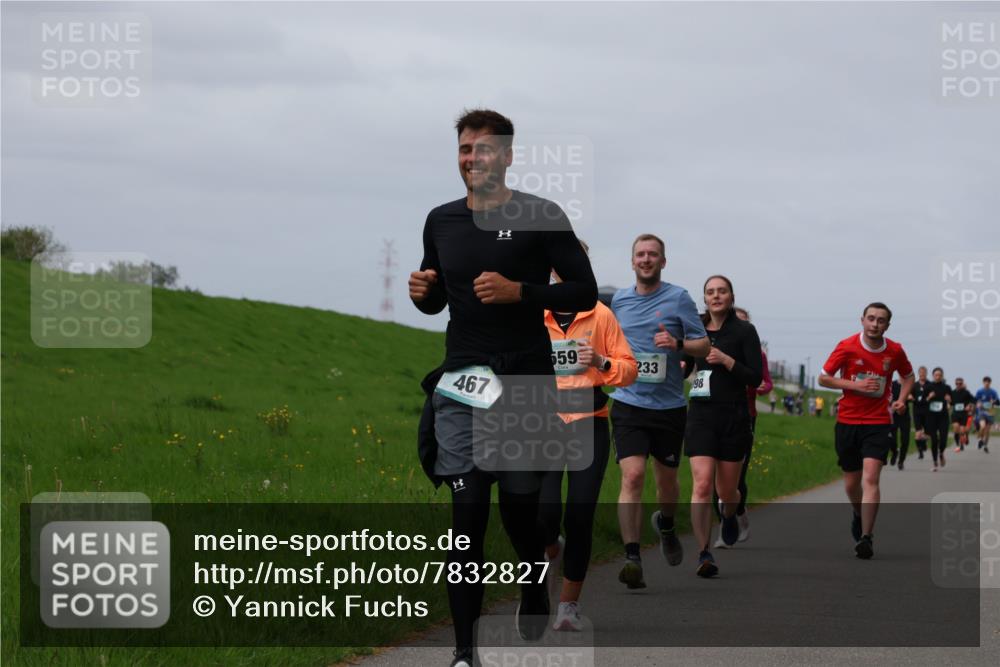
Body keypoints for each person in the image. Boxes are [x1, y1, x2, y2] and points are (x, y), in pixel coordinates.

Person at [410, 109, 598, 667]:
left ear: (508, 156)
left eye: (484, 149)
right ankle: (464, 653)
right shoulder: (440, 221)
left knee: (520, 510)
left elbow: (584, 291)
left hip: (523, 382)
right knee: (467, 514)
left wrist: (523, 292)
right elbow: (439, 298)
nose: (473, 159)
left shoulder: (541, 215)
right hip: (464, 379)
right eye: (465, 149)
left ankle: (533, 577)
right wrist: (424, 293)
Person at [539, 240, 637, 631]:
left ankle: (568, 606)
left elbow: (629, 369)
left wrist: (601, 361)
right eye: (558, 260)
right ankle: (552, 546)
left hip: (589, 422)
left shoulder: (601, 314)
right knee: (543, 515)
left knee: (579, 515)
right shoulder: (534, 312)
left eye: (573, 259)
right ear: (550, 267)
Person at [608, 233, 710, 589]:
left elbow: (704, 345)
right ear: (632, 261)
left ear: (663, 262)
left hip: (668, 407)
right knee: (633, 477)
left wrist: (677, 343)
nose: (646, 259)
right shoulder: (619, 300)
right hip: (628, 402)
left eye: (653, 254)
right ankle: (632, 557)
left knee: (667, 483)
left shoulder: (679, 297)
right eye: (640, 254)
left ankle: (665, 524)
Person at [818, 302, 914, 559]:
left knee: (870, 479)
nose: (875, 324)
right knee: (852, 484)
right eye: (871, 318)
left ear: (887, 325)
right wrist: (855, 386)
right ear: (862, 320)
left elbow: (908, 376)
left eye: (881, 320)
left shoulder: (895, 350)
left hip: (878, 422)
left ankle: (866, 537)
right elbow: (823, 378)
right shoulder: (847, 346)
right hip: (848, 421)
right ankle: (858, 513)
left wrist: (901, 399)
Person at [682, 276, 763, 576]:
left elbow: (755, 377)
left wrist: (727, 361)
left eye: (722, 291)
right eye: (710, 292)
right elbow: (685, 366)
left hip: (733, 416)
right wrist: (678, 364)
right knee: (702, 484)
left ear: (731, 296)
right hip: (701, 415)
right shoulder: (695, 328)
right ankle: (704, 553)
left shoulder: (744, 331)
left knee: (727, 491)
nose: (716, 296)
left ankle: (731, 514)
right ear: (704, 298)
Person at [711, 306, 771, 547]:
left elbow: (765, 382)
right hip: (715, 414)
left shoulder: (757, 354)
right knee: (713, 480)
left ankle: (740, 513)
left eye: (742, 321)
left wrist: (759, 387)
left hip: (745, 415)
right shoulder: (714, 348)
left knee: (737, 478)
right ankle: (724, 527)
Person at [925, 367, 952, 471]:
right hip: (931, 417)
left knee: (943, 440)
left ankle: (941, 453)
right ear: (933, 376)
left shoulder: (947, 387)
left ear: (942, 376)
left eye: (940, 375)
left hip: (943, 417)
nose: (938, 377)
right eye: (936, 375)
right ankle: (935, 462)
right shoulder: (928, 387)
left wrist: (949, 400)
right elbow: (922, 402)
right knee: (934, 440)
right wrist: (929, 397)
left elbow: (952, 401)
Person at [888, 379, 913, 469]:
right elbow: (886, 397)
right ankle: (894, 452)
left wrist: (911, 397)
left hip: (904, 416)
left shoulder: (910, 385)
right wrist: (892, 402)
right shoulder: (892, 384)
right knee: (891, 439)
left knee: (905, 440)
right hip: (893, 415)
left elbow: (917, 397)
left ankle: (901, 461)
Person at [949, 378, 975, 452]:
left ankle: (962, 442)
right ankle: (958, 445)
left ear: (962, 384)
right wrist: (948, 402)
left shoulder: (966, 392)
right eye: (957, 383)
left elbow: (973, 400)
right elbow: (951, 403)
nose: (958, 385)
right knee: (956, 429)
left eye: (960, 384)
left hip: (964, 414)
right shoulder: (952, 392)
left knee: (962, 430)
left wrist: (969, 405)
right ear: (955, 384)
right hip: (955, 414)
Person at [911, 366, 931, 460]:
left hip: (928, 412)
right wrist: (910, 396)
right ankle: (920, 452)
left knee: (927, 434)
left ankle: (924, 442)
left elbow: (935, 394)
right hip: (917, 411)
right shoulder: (914, 385)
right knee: (918, 433)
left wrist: (931, 396)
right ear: (918, 373)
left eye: (924, 372)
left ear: (926, 373)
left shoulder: (930, 385)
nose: (922, 374)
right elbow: (909, 393)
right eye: (921, 372)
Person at [975, 376, 998, 453]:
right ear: (983, 382)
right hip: (981, 412)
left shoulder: (993, 392)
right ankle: (980, 440)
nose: (987, 383)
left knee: (987, 431)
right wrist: (978, 404)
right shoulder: (980, 391)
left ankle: (985, 446)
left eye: (988, 382)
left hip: (990, 413)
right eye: (985, 382)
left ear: (990, 383)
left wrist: (994, 402)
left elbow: (998, 401)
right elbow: (975, 400)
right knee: (982, 426)